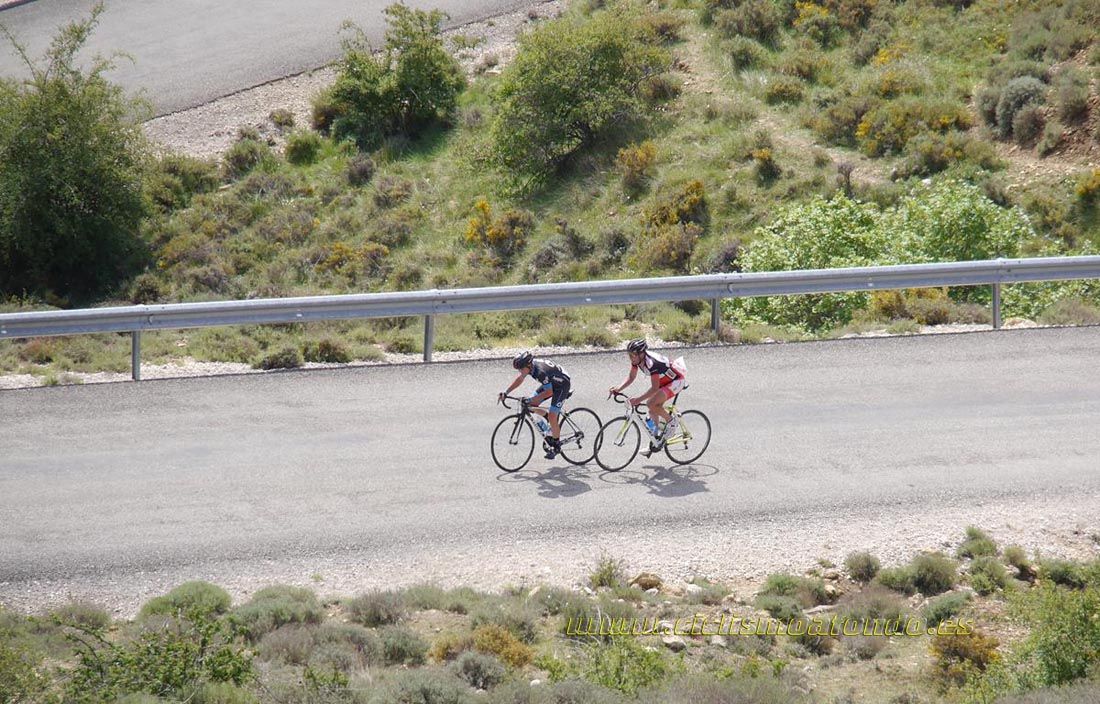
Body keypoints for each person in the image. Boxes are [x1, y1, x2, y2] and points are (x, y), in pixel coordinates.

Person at [609, 338, 686, 457]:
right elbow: (631, 377)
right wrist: (618, 388)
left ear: (642, 353)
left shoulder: (652, 363)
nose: (631, 358)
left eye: (633, 355)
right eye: (629, 355)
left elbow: (654, 388)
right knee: (652, 410)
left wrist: (638, 400)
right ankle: (655, 441)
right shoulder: (637, 360)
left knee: (651, 403)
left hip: (676, 381)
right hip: (664, 381)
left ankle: (672, 421)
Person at [499, 351, 571, 459]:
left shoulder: (540, 372)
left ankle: (556, 446)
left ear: (528, 365)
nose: (520, 371)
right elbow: (520, 379)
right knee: (530, 404)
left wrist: (531, 399)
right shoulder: (530, 367)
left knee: (552, 415)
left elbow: (549, 392)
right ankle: (546, 417)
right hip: (551, 382)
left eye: (521, 369)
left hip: (562, 385)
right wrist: (506, 392)